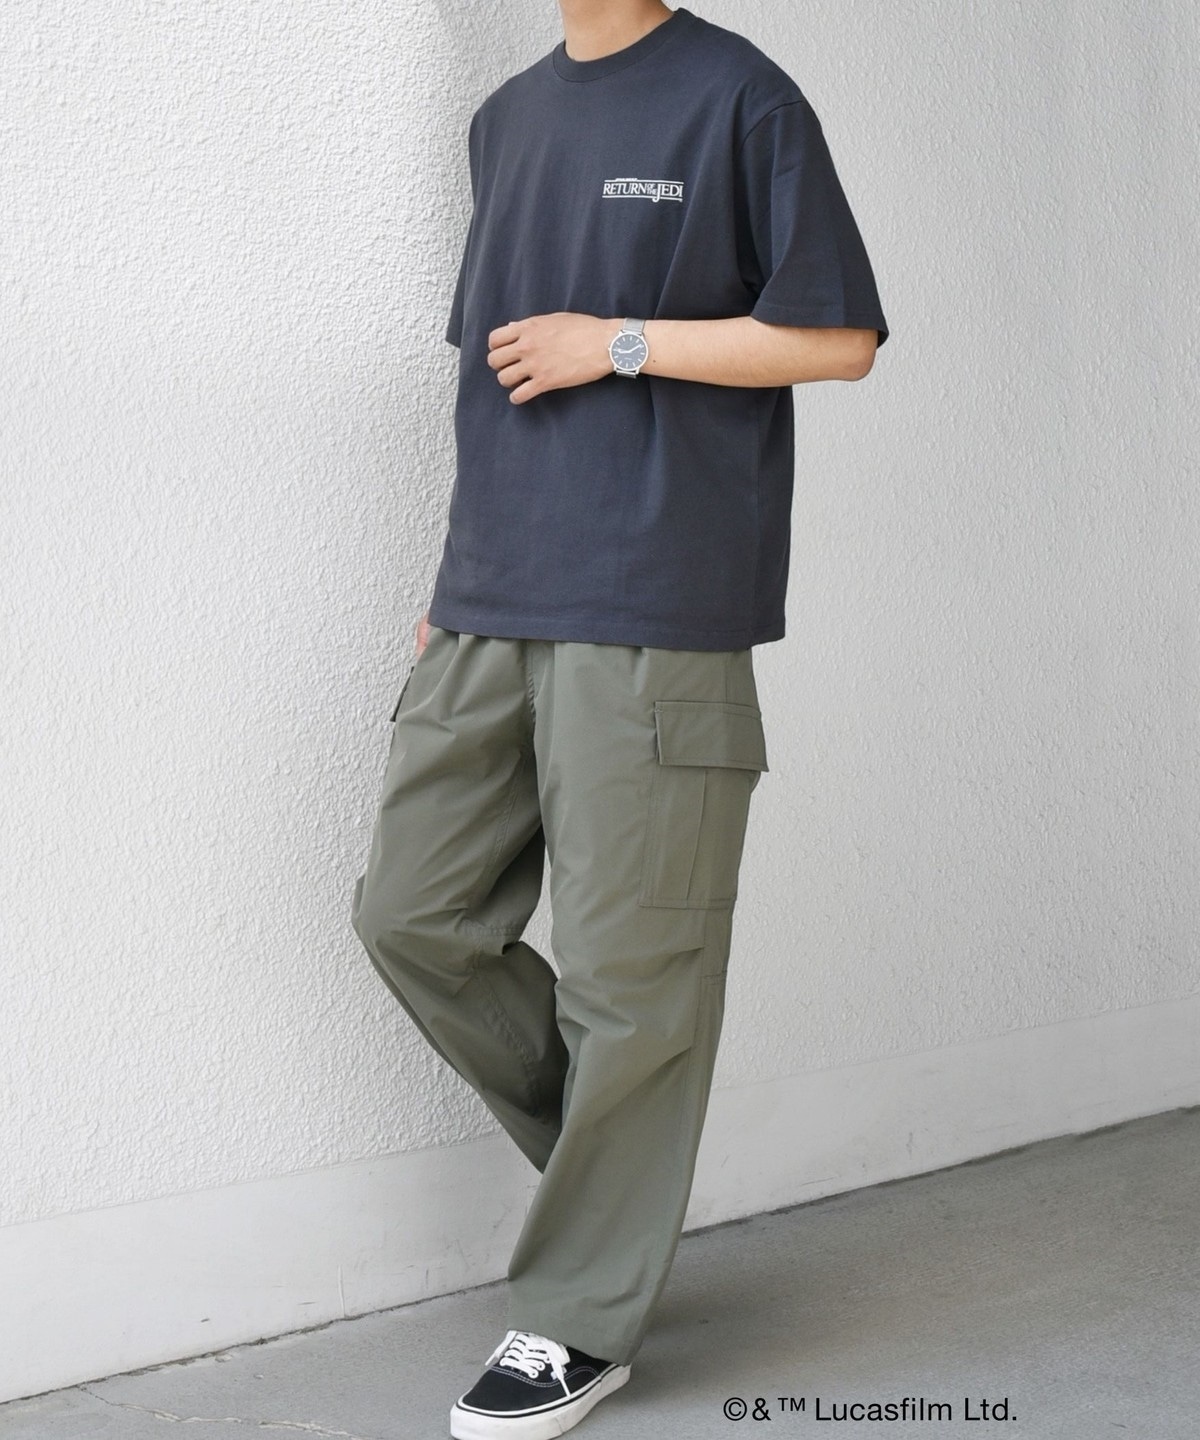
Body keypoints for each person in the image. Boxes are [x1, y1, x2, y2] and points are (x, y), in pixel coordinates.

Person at [350, 2, 889, 1435]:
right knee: (412, 915)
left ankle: (578, 1315)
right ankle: (620, 1192)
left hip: (654, 603)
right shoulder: (507, 121)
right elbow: (488, 381)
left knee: (629, 978)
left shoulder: (741, 97)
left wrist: (623, 341)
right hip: (491, 600)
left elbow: (838, 340)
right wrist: (451, 583)